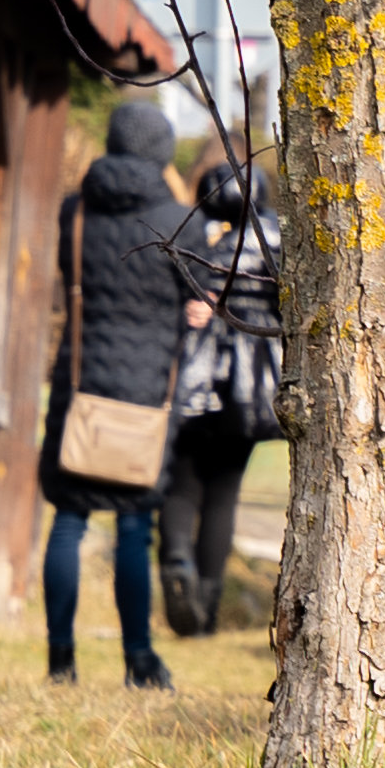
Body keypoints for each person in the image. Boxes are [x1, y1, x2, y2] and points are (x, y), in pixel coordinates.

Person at [42, 90, 211, 689]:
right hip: (145, 391)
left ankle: (61, 661)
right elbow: (203, 293)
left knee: (68, 520)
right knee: (135, 528)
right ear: (162, 153)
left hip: (81, 383)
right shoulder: (177, 221)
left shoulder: (74, 213)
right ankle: (139, 660)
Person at [155, 144, 284, 638]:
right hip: (252, 384)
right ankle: (205, 609)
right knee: (224, 493)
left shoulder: (195, 234)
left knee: (183, 482)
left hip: (197, 375)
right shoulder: (275, 237)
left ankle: (175, 563)